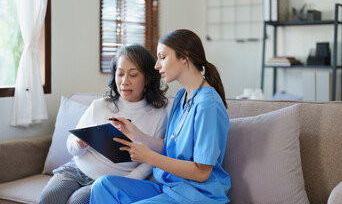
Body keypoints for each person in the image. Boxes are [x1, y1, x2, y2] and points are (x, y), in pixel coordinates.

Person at [90, 29, 231, 204]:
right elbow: (171, 146)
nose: (157, 65)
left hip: (197, 196)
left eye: (162, 57)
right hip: (170, 188)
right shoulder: (181, 96)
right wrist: (137, 135)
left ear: (184, 57)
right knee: (103, 185)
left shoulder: (207, 105)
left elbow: (201, 172)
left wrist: (148, 157)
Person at [39, 45, 169, 204]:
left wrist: (113, 185)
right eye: (120, 74)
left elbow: (150, 162)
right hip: (76, 169)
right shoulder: (100, 105)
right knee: (49, 197)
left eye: (133, 75)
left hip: (110, 181)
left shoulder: (158, 115)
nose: (124, 81)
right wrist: (79, 144)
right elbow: (71, 144)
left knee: (78, 201)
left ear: (147, 78)